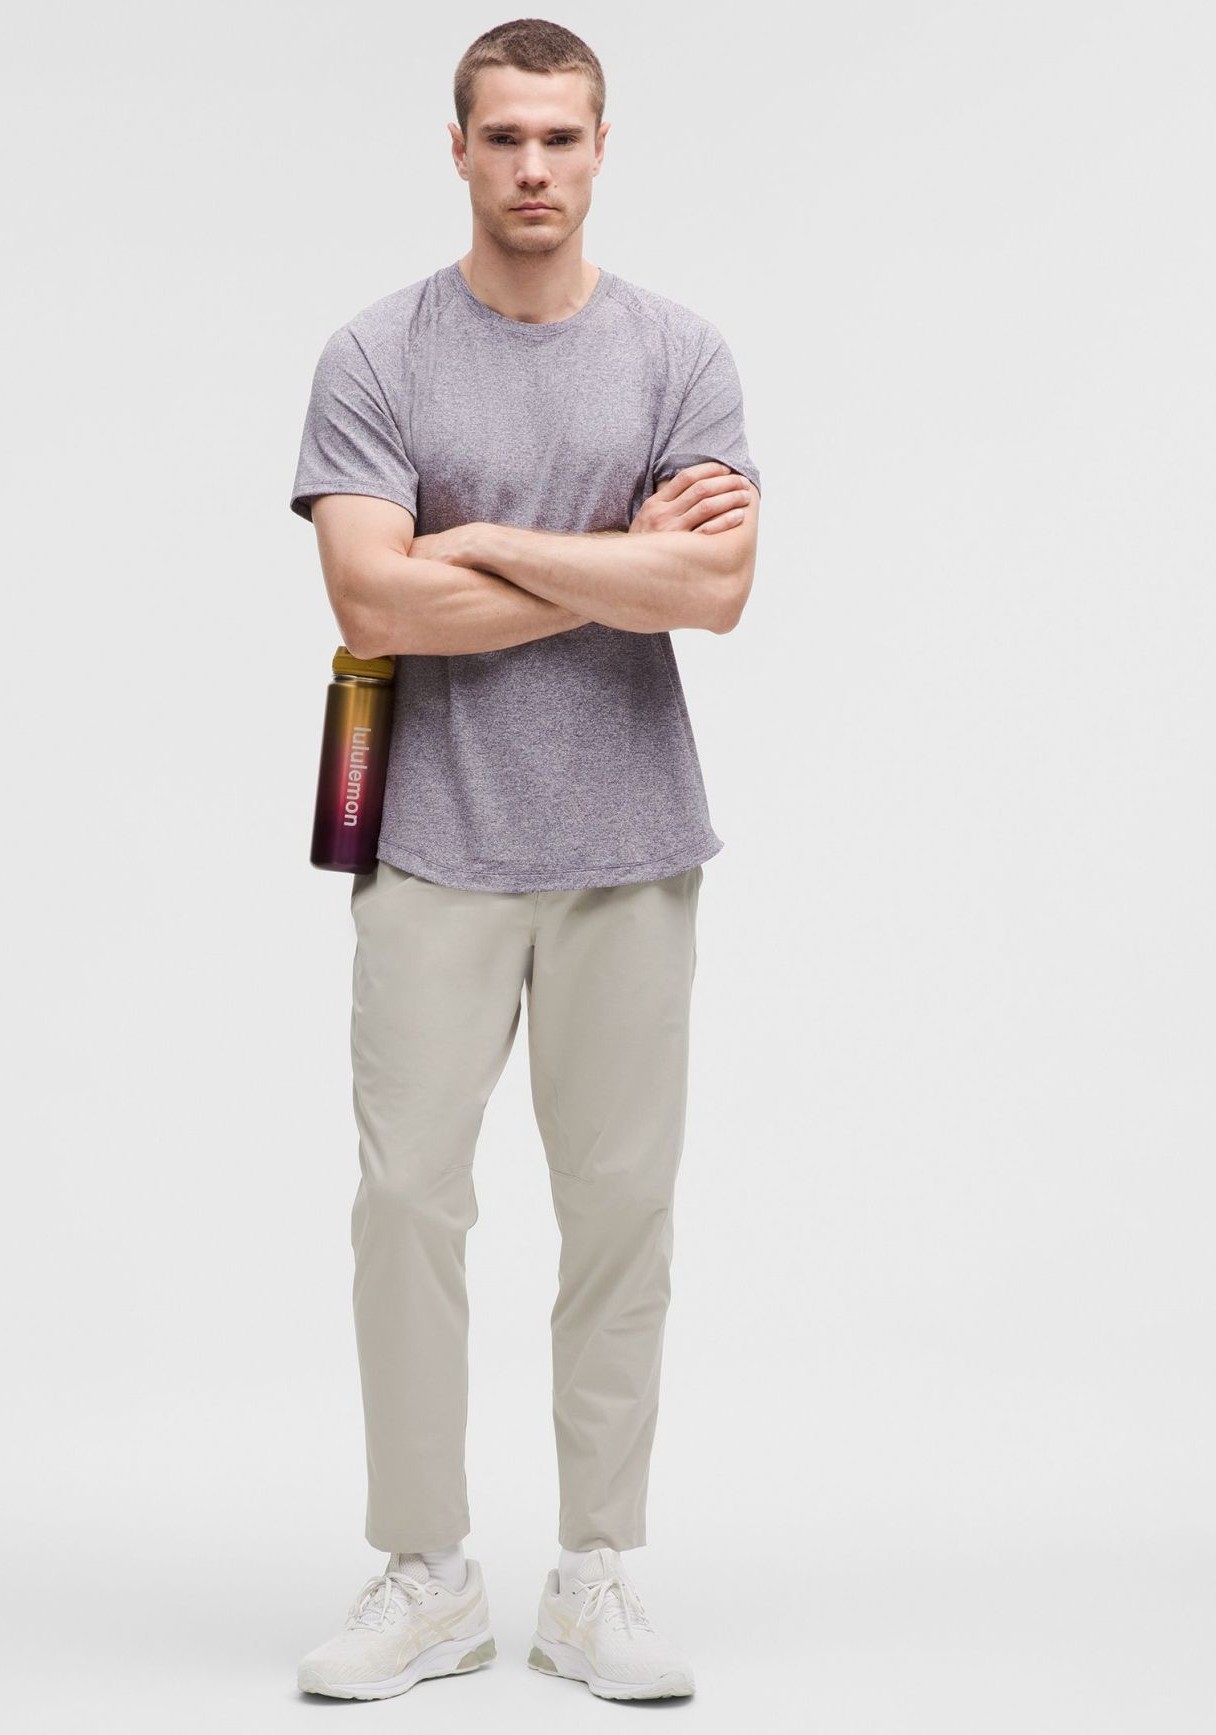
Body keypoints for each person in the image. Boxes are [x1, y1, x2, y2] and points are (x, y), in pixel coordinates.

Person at [289, 17, 760, 1703]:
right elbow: (373, 597)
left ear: (601, 146)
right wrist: (611, 558)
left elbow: (714, 591)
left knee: (619, 1211)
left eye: (561, 137)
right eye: (504, 137)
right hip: (434, 843)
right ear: (458, 147)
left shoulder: (678, 355)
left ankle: (594, 1574)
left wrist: (482, 542)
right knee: (405, 1205)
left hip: (631, 846)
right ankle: (425, 1574)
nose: (533, 167)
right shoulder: (377, 354)